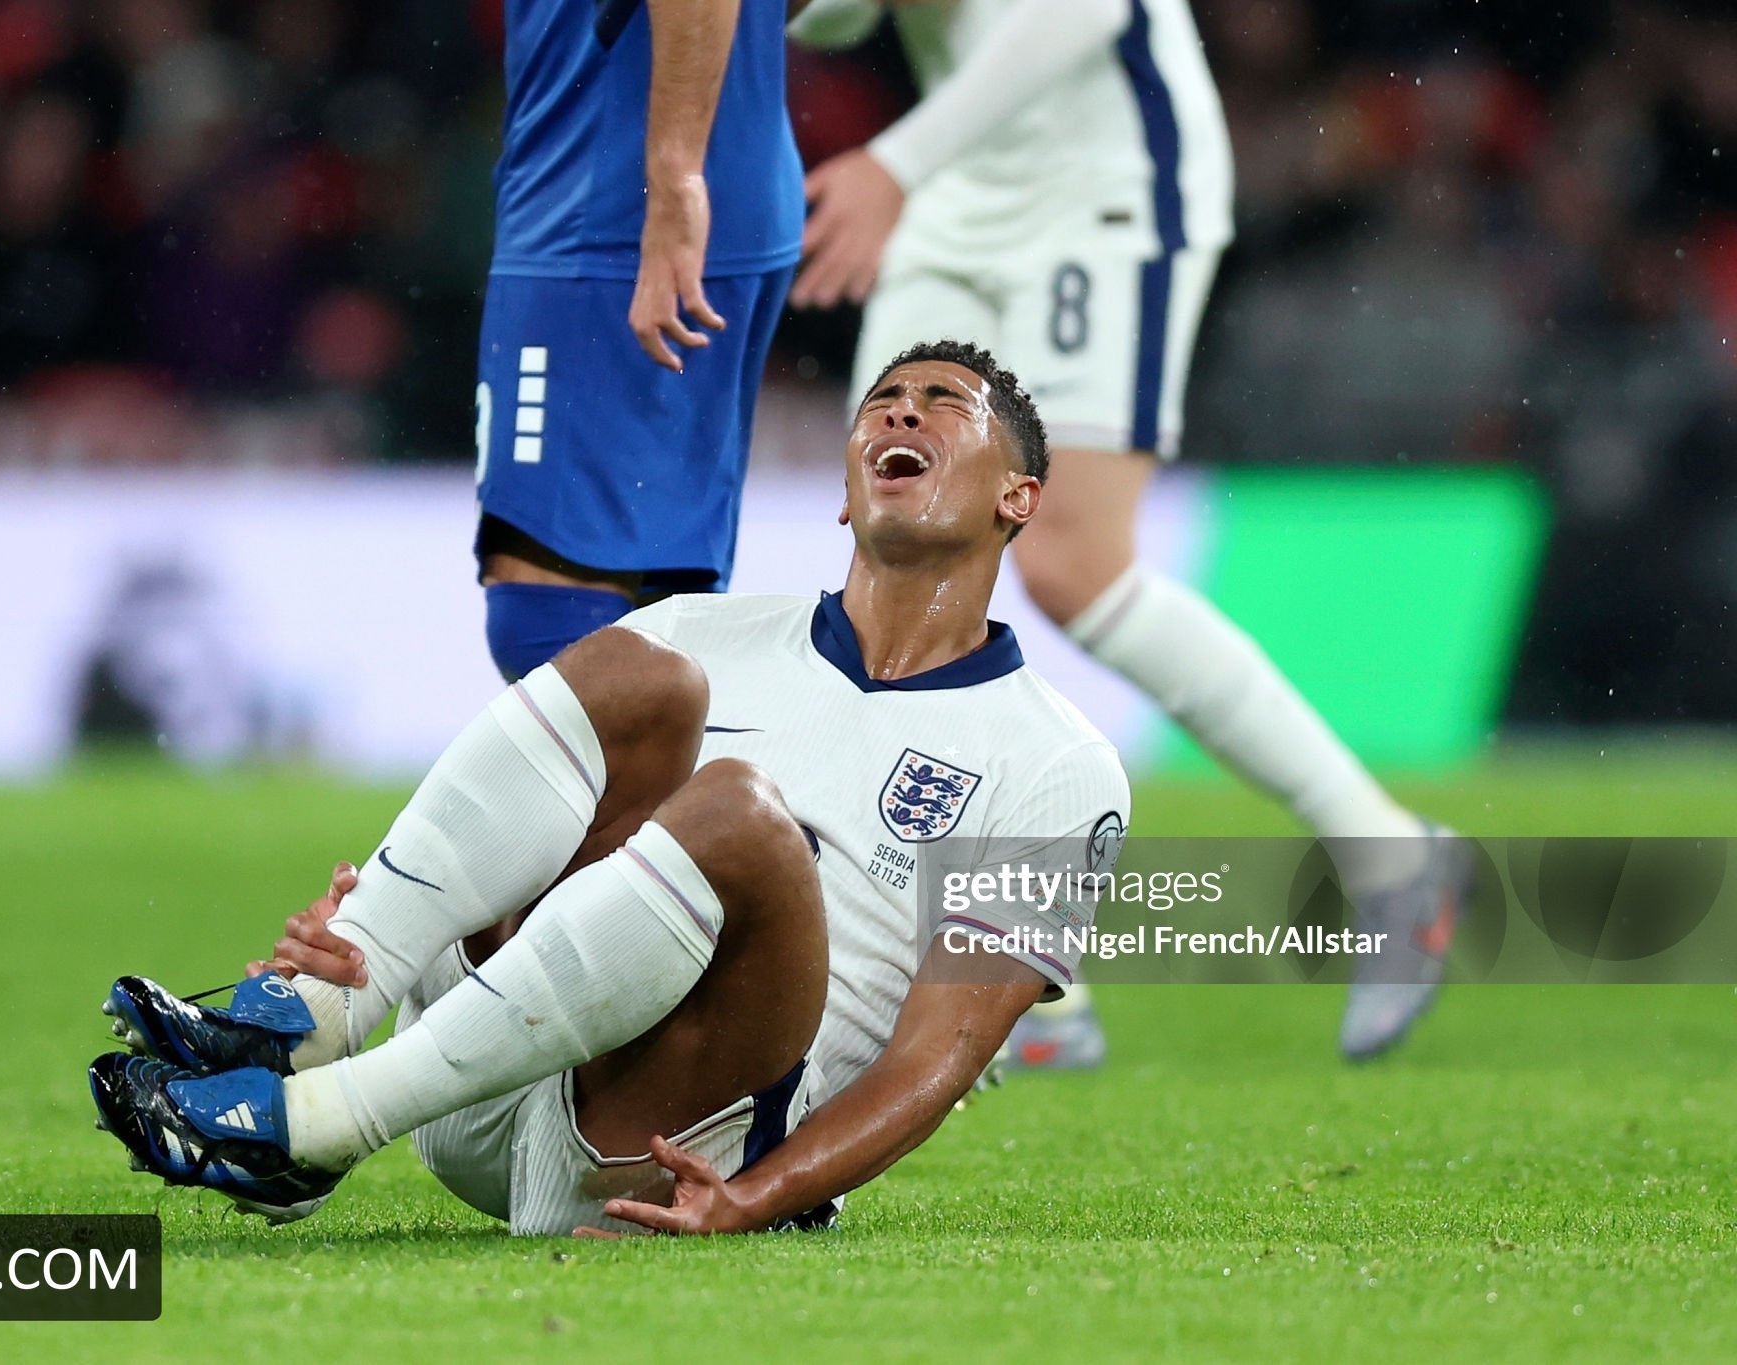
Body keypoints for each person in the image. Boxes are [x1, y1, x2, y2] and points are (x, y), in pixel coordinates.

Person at [89, 341, 1132, 1235]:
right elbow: (512, 835)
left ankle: (317, 1124)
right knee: (642, 679)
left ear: (1018, 497)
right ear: (846, 488)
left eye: (942, 402)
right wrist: (374, 935)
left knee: (739, 814)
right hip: (480, 1076)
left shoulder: (1056, 763)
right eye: (883, 401)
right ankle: (320, 1016)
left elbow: (937, 1058)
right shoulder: (691, 633)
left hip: (679, 1138)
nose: (900, 411)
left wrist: (759, 1198)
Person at [788, 0, 1467, 1062]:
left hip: (1100, 185)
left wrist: (894, 161)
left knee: (1076, 565)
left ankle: (1387, 854)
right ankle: (1029, 990)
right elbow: (836, 24)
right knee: (899, 545)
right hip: (957, 189)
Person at [472, 0, 803, 682]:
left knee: (550, 609)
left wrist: (675, 179)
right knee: (660, 597)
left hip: (607, 202)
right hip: (715, 174)